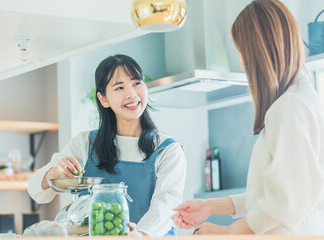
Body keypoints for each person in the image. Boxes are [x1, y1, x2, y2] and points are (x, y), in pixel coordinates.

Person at [172, 0, 324, 235]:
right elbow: (271, 193)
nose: (242, 61)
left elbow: (283, 204)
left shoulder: (288, 108)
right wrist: (210, 206)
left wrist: (225, 233)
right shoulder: (302, 99)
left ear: (261, 50)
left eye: (243, 51)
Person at [28, 54, 187, 237]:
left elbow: (166, 205)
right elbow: (35, 191)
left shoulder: (167, 149)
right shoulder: (85, 143)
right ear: (103, 99)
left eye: (136, 83)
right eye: (119, 87)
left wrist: (140, 234)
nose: (132, 94)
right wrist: (54, 173)